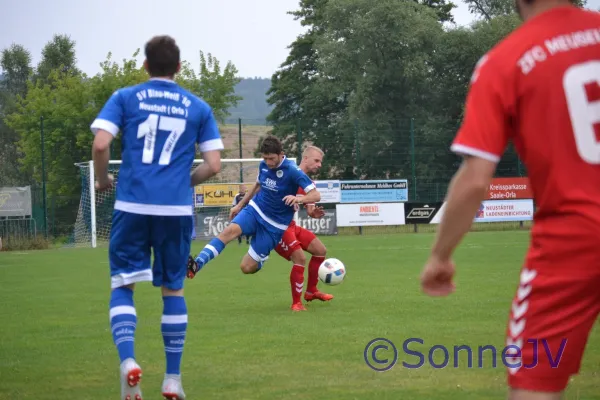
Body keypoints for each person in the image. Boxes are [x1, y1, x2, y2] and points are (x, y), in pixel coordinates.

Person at [419, 2, 600, 400]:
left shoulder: (506, 60)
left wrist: (440, 256)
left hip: (574, 241)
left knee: (534, 384)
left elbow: (474, 181)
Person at [91, 35, 222, 400]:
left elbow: (101, 144)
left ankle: (129, 362)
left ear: (145, 66)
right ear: (179, 68)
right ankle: (172, 380)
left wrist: (103, 180)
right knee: (173, 289)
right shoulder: (198, 107)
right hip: (175, 211)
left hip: (132, 206)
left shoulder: (125, 97)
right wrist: (184, 181)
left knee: (123, 285)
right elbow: (214, 165)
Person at [187, 135, 321, 277]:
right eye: (265, 158)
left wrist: (298, 199)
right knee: (228, 232)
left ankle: (261, 258)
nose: (268, 162)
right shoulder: (263, 165)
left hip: (274, 225)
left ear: (281, 154)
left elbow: (316, 195)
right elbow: (257, 185)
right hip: (256, 210)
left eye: (271, 159)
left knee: (246, 267)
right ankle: (196, 265)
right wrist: (239, 205)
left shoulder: (293, 171)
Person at [274, 146, 333, 311]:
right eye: (316, 160)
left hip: (291, 226)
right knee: (300, 258)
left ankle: (311, 291)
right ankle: (296, 303)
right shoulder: (289, 175)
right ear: (305, 158)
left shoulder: (309, 183)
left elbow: (309, 210)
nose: (319, 165)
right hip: (278, 227)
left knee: (320, 250)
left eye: (320, 161)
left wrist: (314, 213)